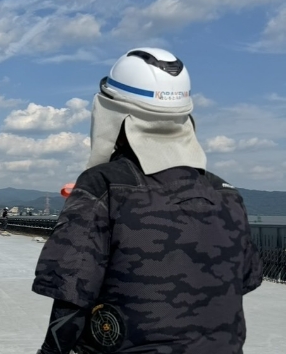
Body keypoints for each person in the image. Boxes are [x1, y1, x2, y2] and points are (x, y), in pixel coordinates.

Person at [32, 48, 263, 354]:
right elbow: (246, 279)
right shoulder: (226, 193)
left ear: (111, 113)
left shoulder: (103, 186)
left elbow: (71, 295)